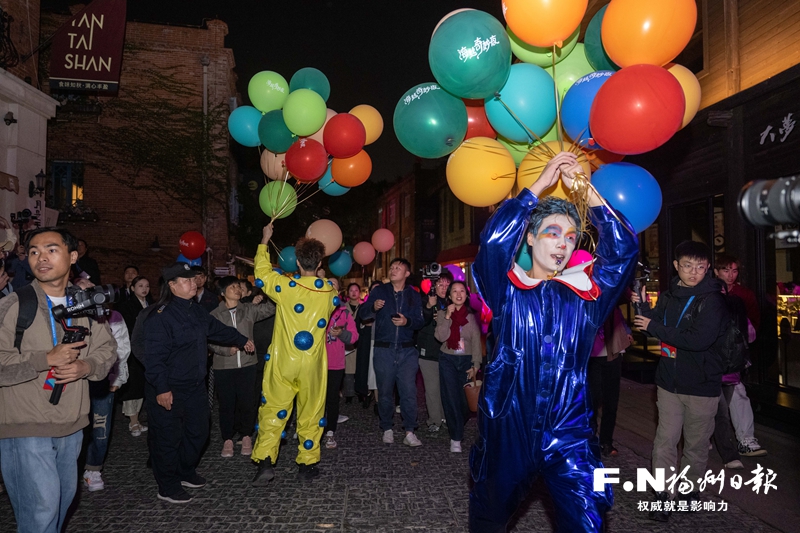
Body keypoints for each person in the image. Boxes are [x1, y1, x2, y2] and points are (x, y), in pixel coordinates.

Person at [470, 152, 639, 532]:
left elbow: (624, 249)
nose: (563, 244)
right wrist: (539, 186)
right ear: (530, 237)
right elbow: (494, 245)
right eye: (552, 232)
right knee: (488, 519)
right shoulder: (508, 289)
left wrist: (586, 188)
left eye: (570, 236)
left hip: (570, 434)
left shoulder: (587, 294)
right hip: (507, 428)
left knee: (588, 519)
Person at [0, 227, 117, 532]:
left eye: (51, 249)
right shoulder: (13, 306)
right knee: (41, 511)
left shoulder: (87, 305)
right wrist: (45, 360)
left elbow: (107, 349)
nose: (41, 257)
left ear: (73, 255)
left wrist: (87, 367)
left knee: (61, 504)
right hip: (25, 426)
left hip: (72, 425)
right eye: (35, 251)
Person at [137, 262, 253, 504]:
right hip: (169, 387)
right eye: (187, 280)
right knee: (167, 438)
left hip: (194, 386)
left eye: (194, 279)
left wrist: (242, 339)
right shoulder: (160, 316)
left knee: (198, 432)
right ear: (172, 285)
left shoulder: (195, 310)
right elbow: (154, 357)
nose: (193, 283)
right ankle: (167, 485)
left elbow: (217, 329)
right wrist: (162, 388)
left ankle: (185, 470)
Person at [633, 240, 729, 522]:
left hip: (702, 384)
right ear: (677, 266)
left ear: (708, 268)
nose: (694, 272)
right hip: (668, 382)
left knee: (696, 445)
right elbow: (655, 331)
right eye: (687, 266)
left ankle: (689, 492)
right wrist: (644, 308)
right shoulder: (670, 294)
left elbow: (698, 341)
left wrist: (655, 327)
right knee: (665, 440)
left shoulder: (713, 300)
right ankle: (663, 495)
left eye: (700, 267)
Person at [251, 223, 336, 484]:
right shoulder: (329, 291)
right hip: (312, 364)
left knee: (274, 408)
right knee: (311, 411)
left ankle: (265, 460)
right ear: (320, 260)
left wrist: (265, 240)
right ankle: (307, 465)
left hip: (283, 361)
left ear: (297, 261)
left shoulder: (285, 287)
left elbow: (262, 274)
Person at [358, 258, 425, 447]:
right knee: (385, 391)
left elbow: (420, 321)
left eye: (398, 267)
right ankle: (387, 427)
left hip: (407, 350)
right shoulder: (380, 291)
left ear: (406, 273)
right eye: (392, 267)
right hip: (383, 349)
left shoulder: (413, 295)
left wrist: (407, 322)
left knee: (409, 392)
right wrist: (372, 307)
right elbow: (363, 314)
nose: (393, 270)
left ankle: (410, 431)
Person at [209, 276, 275, 458]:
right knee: (227, 404)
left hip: (248, 364)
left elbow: (270, 309)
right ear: (222, 293)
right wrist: (225, 350)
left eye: (238, 286)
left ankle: (246, 436)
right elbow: (209, 339)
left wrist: (269, 289)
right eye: (232, 287)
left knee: (248, 402)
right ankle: (228, 439)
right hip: (224, 366)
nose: (237, 289)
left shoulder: (248, 310)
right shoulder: (214, 315)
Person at [76, 277, 131, 492]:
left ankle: (93, 468)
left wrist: (117, 378)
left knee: (100, 426)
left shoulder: (111, 317)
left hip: (101, 382)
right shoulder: (65, 316)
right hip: (72, 384)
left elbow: (121, 349)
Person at [714, 255, 767, 457]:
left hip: (733, 354)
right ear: (717, 271)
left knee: (737, 394)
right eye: (726, 270)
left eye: (734, 270)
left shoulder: (744, 295)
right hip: (713, 354)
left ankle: (745, 439)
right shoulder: (711, 292)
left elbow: (752, 326)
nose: (731, 275)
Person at [434, 280, 482, 453]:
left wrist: (476, 364)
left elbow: (477, 342)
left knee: (465, 402)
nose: (458, 294)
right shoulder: (442, 314)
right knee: (451, 398)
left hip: (466, 360)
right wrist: (447, 317)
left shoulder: (472, 316)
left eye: (462, 291)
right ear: (449, 295)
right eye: (454, 291)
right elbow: (440, 337)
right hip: (447, 359)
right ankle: (456, 437)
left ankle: (457, 423)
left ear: (467, 295)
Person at [588, 305, 632, 457]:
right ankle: (590, 439)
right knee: (593, 399)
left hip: (613, 351)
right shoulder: (586, 294)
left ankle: (606, 441)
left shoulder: (613, 293)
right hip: (592, 354)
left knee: (611, 401)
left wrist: (626, 331)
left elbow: (618, 312)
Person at [323, 278, 359, 449]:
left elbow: (354, 336)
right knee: (313, 398)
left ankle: (330, 432)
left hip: (335, 363)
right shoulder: (314, 308)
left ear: (338, 292)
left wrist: (342, 333)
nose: (330, 288)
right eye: (327, 284)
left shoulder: (344, 312)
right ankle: (310, 429)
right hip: (314, 362)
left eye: (334, 286)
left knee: (331, 398)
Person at [417, 272, 453, 433]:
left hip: (449, 352)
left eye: (447, 285)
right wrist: (429, 308)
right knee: (432, 388)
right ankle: (434, 420)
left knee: (447, 388)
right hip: (428, 350)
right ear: (434, 286)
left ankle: (447, 417)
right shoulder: (426, 300)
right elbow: (419, 323)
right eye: (440, 285)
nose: (444, 288)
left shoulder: (454, 301)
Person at [119, 275, 152, 436]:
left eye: (146, 285)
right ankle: (133, 422)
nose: (144, 289)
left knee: (143, 386)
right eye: (140, 286)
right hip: (133, 350)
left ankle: (138, 419)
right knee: (133, 387)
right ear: (132, 288)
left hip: (148, 349)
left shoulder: (151, 305)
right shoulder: (126, 307)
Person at [355, 280, 382, 408]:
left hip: (382, 344)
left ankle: (378, 401)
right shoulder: (364, 307)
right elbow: (357, 324)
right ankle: (368, 393)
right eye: (374, 290)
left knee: (377, 374)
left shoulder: (387, 306)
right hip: (368, 343)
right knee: (368, 371)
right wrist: (364, 325)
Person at [342, 282, 362, 404]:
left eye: (356, 290)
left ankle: (360, 392)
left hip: (361, 342)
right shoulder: (343, 308)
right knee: (348, 370)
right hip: (347, 342)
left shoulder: (364, 307)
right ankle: (349, 394)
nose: (354, 292)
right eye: (351, 290)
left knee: (360, 368)